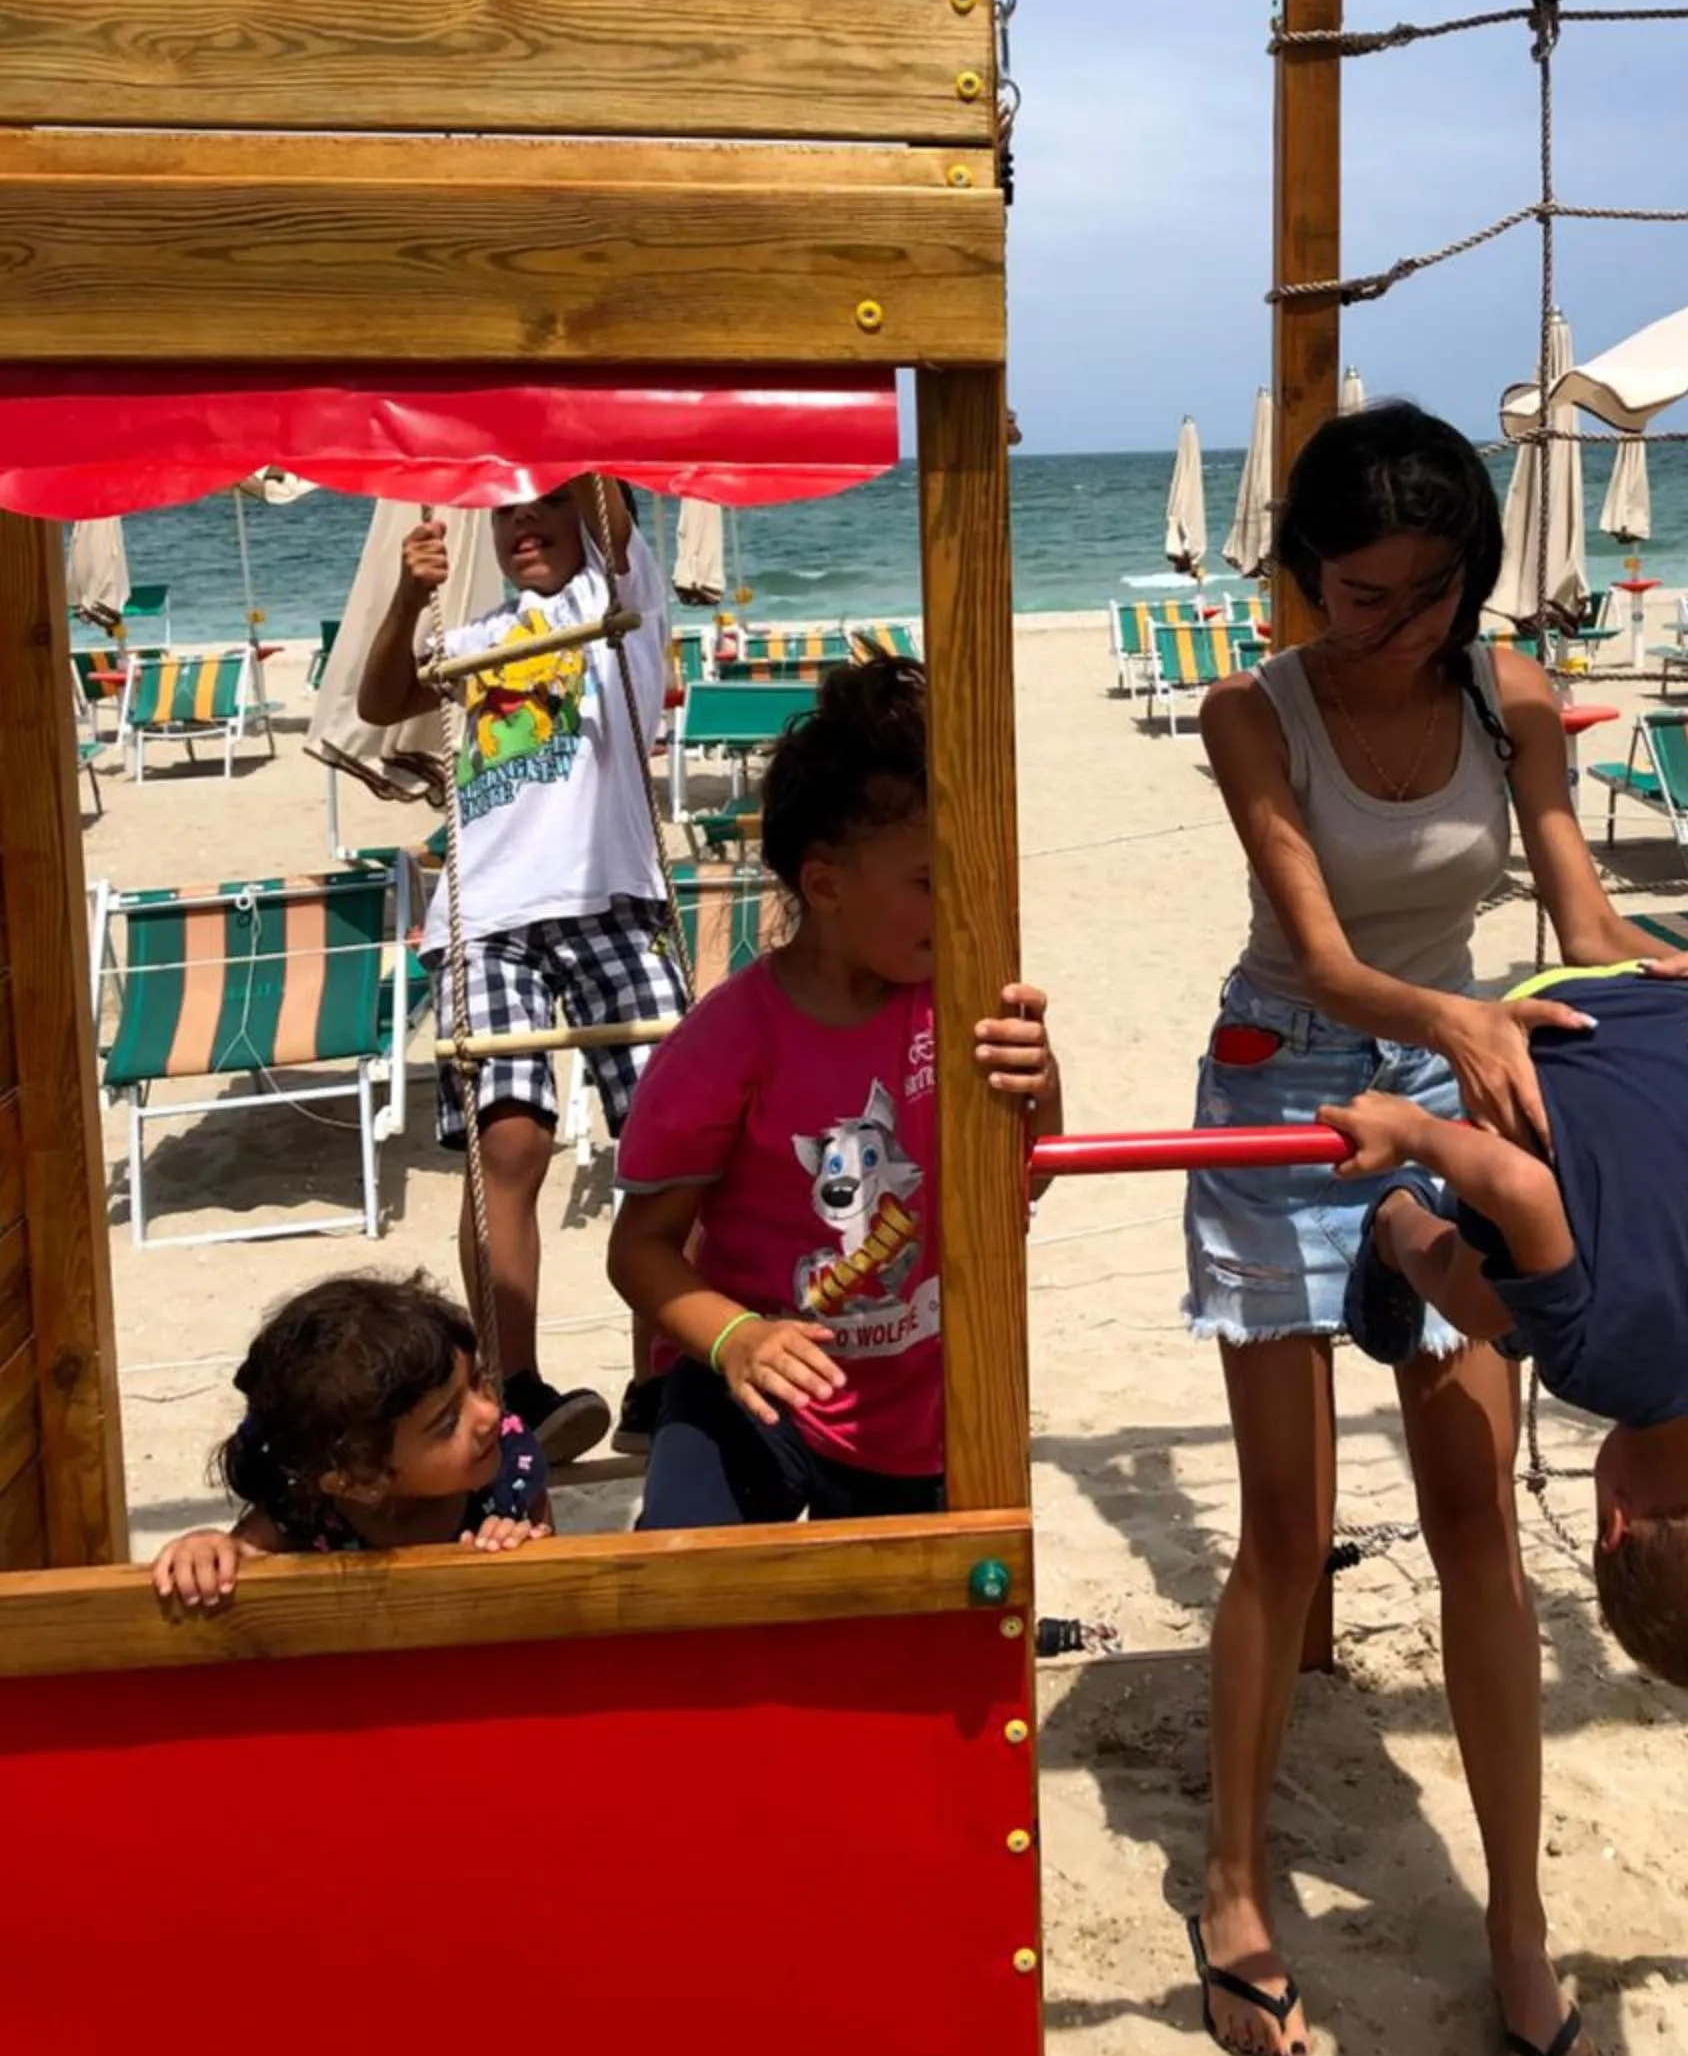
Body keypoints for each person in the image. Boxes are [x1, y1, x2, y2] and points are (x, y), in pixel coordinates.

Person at [1183, 400, 1688, 2056]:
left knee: (1477, 1523)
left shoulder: (1508, 693)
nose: (1405, 627)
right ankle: (1232, 1880)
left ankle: (1517, 1926)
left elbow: (1579, 923)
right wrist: (1444, 1016)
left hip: (1457, 1093)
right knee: (1283, 1527)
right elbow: (1313, 948)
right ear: (1302, 581)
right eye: (1366, 595)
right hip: (1284, 1094)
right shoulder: (1251, 712)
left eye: (1436, 590)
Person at [1327, 981, 1688, 1686]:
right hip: (1542, 1039)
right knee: (1483, 1309)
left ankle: (1514, 1290)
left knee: (1529, 1297)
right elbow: (1520, 1188)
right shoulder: (1593, 1368)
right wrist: (1411, 1135)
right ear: (1615, 1521)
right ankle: (1395, 1221)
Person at [608, 657, 1062, 1527]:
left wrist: (1042, 1087)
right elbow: (641, 1250)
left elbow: (1026, 1178)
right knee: (689, 1588)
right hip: (752, 1391)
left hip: (917, 1404)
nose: (964, 901)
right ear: (825, 887)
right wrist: (736, 1338)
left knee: (908, 1640)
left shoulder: (963, 1002)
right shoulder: (727, 1040)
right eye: (931, 882)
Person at [358, 477, 683, 1464]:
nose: (525, 521)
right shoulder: (471, 637)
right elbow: (379, 701)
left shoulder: (613, 605)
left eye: (545, 503)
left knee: (671, 1139)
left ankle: (662, 1383)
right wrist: (412, 597)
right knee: (508, 1145)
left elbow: (607, 498)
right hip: (485, 921)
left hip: (611, 898)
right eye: (506, 510)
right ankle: (520, 1385)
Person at [150, 1272, 549, 1609]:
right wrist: (206, 1549)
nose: (490, 1414)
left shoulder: (506, 1473)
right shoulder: (305, 1513)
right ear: (358, 1479)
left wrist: (521, 1548)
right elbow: (238, 1560)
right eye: (447, 1423)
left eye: (479, 1383)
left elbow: (555, 1595)